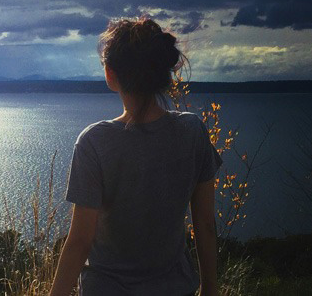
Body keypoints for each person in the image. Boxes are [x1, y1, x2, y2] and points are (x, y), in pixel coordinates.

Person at [49, 15, 223, 296]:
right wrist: (211, 289)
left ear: (110, 74)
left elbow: (80, 240)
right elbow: (205, 223)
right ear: (163, 74)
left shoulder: (94, 142)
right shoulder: (193, 132)